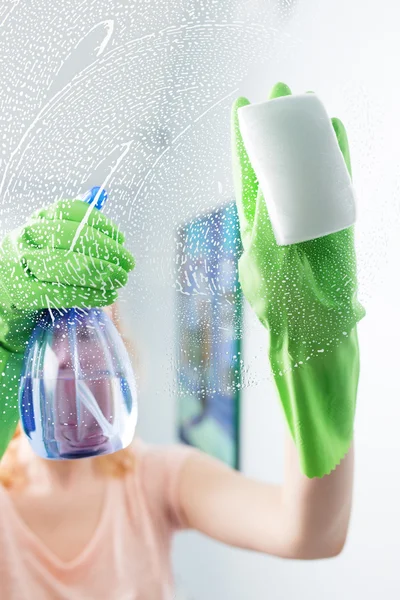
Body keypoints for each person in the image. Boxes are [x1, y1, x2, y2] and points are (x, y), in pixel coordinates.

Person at [0, 82, 364, 599]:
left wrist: (314, 338)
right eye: (48, 329)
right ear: (16, 352)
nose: (71, 362)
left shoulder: (156, 478)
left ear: (118, 341)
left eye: (89, 335)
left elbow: (310, 532)